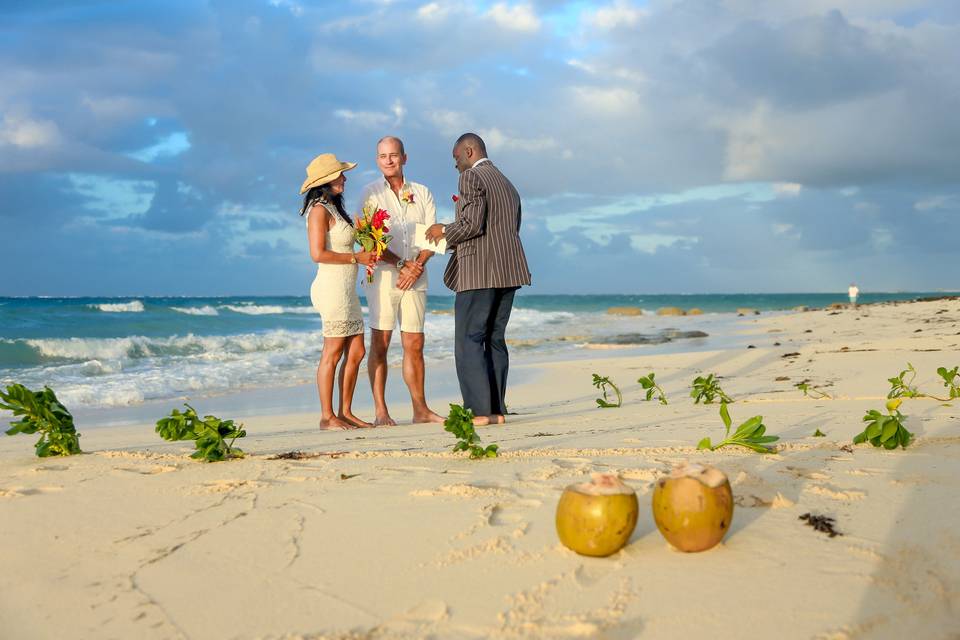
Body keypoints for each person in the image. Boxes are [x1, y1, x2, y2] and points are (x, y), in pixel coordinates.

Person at [425, 133, 532, 426]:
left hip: (479, 273)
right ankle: (496, 410)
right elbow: (509, 228)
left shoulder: (472, 178)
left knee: (469, 340)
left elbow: (472, 224)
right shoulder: (508, 183)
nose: (455, 165)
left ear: (469, 151)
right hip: (510, 271)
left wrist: (442, 231)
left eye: (456, 158)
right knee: (495, 340)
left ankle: (479, 412)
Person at [358, 136, 445, 426]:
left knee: (415, 343)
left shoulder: (422, 192)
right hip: (382, 278)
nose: (389, 160)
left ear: (404, 158)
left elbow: (434, 235)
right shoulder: (369, 194)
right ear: (377, 159)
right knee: (380, 343)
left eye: (394, 155)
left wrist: (416, 266)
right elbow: (368, 239)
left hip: (416, 277)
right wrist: (399, 264)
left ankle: (420, 409)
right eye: (383, 156)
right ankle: (381, 412)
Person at [300, 153, 376, 430]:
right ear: (326, 181)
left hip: (347, 290)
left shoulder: (335, 209)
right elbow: (317, 254)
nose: (344, 178)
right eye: (340, 174)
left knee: (356, 351)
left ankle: (345, 411)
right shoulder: (319, 210)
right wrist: (357, 258)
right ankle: (326, 416)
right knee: (332, 351)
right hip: (332, 289)